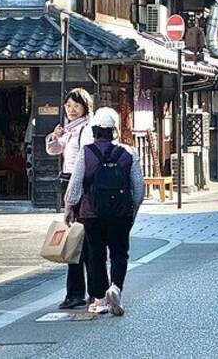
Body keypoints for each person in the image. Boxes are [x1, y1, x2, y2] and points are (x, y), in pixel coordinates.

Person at [64, 107, 144, 316]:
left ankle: (99, 300)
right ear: (114, 130)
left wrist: (69, 207)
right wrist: (133, 210)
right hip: (120, 214)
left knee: (96, 255)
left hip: (92, 213)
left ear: (95, 130)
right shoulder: (129, 153)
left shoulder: (87, 152)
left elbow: (75, 185)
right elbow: (138, 188)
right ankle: (115, 288)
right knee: (119, 254)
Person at [45, 88, 94, 310]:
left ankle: (79, 293)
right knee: (79, 240)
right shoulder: (70, 130)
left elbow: (83, 163)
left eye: (76, 106)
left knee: (78, 240)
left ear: (85, 107)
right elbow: (54, 150)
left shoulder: (86, 129)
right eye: (68, 106)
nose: (71, 110)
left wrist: (71, 201)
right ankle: (87, 292)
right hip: (69, 181)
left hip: (79, 184)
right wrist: (55, 136)